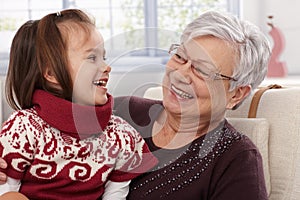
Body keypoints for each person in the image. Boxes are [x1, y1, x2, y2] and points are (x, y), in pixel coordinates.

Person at [0, 10, 271, 200]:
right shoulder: (117, 112)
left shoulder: (236, 160)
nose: (180, 73)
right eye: (179, 56)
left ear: (236, 94)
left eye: (201, 69)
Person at [0, 9, 157, 200]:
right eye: (92, 58)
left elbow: (115, 195)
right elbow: (6, 192)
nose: (107, 67)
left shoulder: (122, 136)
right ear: (51, 74)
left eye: (103, 57)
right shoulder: (23, 129)